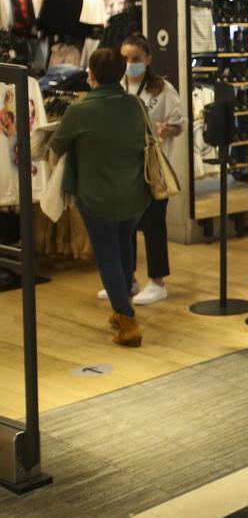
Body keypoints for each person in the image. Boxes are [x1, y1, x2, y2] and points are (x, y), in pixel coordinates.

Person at [49, 49, 150, 347]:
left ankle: (127, 320)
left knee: (107, 254)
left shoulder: (80, 111)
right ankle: (123, 308)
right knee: (122, 245)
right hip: (134, 194)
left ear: (91, 74)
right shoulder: (135, 105)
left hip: (97, 197)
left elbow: (56, 146)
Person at [93, 34, 184, 306]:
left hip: (151, 169)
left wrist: (165, 129)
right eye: (125, 58)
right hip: (123, 170)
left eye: (135, 58)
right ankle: (127, 278)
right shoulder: (116, 87)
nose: (130, 64)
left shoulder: (162, 89)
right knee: (124, 227)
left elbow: (179, 124)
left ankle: (158, 281)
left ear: (148, 60)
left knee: (154, 224)